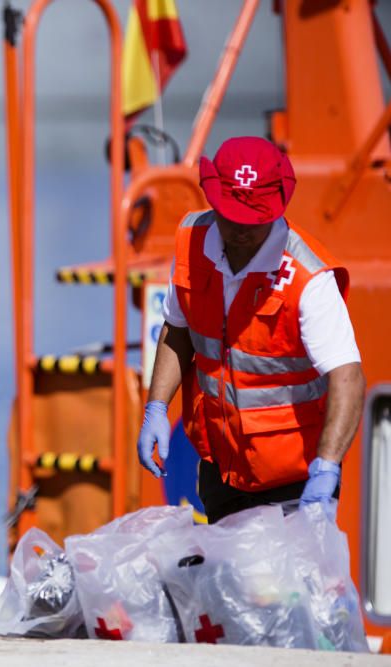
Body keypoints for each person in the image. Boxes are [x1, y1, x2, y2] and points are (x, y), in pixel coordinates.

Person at [137, 136, 366, 524]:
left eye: (253, 221)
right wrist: (156, 407)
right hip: (221, 470)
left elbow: (349, 378)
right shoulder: (191, 243)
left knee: (286, 587)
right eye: (231, 217)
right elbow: (177, 330)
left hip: (294, 481)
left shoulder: (307, 278)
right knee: (228, 581)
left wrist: (326, 470)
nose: (241, 230)